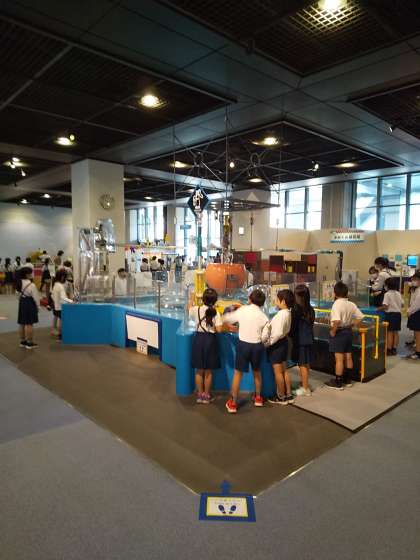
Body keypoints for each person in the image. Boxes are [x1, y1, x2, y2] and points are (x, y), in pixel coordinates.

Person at [223, 289, 269, 413]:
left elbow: (226, 318)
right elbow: (265, 335)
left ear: (249, 299)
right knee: (257, 372)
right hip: (257, 346)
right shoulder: (263, 316)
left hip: (243, 345)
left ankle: (233, 403)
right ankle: (258, 398)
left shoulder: (242, 310)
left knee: (238, 374)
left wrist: (232, 308)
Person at [326, 281, 364, 390]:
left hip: (339, 332)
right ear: (346, 293)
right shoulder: (351, 304)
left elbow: (337, 321)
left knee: (339, 359)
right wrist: (352, 324)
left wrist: (333, 331)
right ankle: (348, 380)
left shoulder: (336, 304)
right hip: (348, 332)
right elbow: (361, 317)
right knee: (348, 356)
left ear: (335, 293)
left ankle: (338, 382)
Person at [189, 288, 223, 404]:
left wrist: (191, 297)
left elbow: (189, 309)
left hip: (199, 340)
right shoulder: (215, 312)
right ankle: (207, 396)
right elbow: (219, 329)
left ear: (203, 299)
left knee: (199, 370)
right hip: (210, 340)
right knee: (208, 371)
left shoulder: (196, 309)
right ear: (215, 300)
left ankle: (200, 395)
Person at [262, 289, 295, 405]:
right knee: (284, 370)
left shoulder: (281, 315)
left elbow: (277, 333)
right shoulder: (288, 313)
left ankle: (280, 396)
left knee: (278, 372)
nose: (275, 301)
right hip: (284, 343)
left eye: (277, 299)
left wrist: (267, 343)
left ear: (283, 301)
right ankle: (288, 394)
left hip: (277, 345)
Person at [290, 284, 315, 397]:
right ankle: (305, 383)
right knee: (306, 363)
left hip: (300, 341)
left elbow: (293, 327)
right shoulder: (310, 309)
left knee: (302, 364)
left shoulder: (296, 311)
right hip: (308, 339)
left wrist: (289, 335)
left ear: (299, 296)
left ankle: (305, 389)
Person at [378, 276, 403, 356]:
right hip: (398, 315)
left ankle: (388, 349)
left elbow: (385, 306)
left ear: (387, 285)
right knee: (396, 332)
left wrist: (378, 309)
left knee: (389, 332)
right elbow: (402, 304)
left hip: (390, 315)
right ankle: (394, 349)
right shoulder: (398, 293)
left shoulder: (387, 294)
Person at [16, 266, 40, 349]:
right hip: (29, 303)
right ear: (26, 274)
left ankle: (22, 341)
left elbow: (17, 296)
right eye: (30, 273)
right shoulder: (31, 284)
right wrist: (38, 306)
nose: (32, 274)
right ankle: (29, 343)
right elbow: (36, 297)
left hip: (22, 302)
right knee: (29, 323)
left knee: (22, 322)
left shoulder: (19, 282)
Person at [51, 268, 73, 339]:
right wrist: (71, 301)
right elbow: (63, 297)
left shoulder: (55, 284)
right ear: (62, 277)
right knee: (62, 321)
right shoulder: (60, 286)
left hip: (57, 305)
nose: (66, 279)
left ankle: (60, 334)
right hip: (61, 306)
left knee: (60, 320)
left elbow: (52, 296)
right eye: (65, 277)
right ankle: (61, 334)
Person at [405, 271, 420, 361]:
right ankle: (417, 350)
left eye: (416, 279)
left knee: (418, 334)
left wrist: (409, 311)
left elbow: (417, 304)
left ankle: (418, 353)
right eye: (413, 279)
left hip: (417, 312)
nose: (413, 281)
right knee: (417, 333)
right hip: (415, 312)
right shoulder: (415, 289)